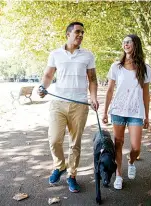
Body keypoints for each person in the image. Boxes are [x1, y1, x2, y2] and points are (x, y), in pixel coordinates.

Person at [38, 22, 99, 193]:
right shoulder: (55, 54)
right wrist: (43, 87)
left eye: (82, 33)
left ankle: (72, 175)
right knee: (54, 139)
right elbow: (48, 75)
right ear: (68, 34)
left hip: (79, 104)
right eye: (77, 32)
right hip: (58, 103)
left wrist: (93, 97)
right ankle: (59, 166)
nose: (80, 35)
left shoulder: (88, 55)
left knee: (75, 143)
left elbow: (92, 79)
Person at [102, 34, 151, 190]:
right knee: (118, 143)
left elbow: (146, 94)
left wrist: (147, 116)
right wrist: (105, 112)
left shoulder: (145, 68)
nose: (125, 44)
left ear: (135, 44)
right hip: (118, 110)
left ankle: (131, 162)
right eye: (123, 42)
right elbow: (110, 90)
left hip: (136, 112)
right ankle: (118, 175)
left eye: (128, 42)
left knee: (136, 148)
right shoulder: (116, 66)